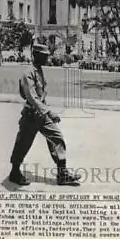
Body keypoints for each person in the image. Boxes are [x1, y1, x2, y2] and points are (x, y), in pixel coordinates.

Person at [9, 43, 81, 186]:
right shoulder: (28, 73)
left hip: (42, 115)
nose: (48, 58)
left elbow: (41, 95)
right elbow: (32, 96)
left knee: (57, 138)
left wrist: (47, 111)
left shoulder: (39, 70)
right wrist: (49, 111)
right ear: (38, 56)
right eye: (45, 56)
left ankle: (63, 174)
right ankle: (15, 173)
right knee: (23, 145)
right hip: (31, 115)